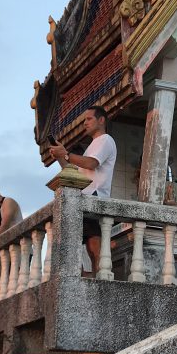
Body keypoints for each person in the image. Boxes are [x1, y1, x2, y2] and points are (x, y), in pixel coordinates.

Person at [49, 105, 117, 272]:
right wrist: (60, 156)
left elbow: (91, 164)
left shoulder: (106, 140)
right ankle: (86, 277)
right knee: (76, 246)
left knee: (94, 247)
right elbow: (71, 170)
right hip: (83, 197)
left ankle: (99, 280)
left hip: (95, 196)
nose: (85, 123)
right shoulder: (92, 145)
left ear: (101, 120)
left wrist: (66, 154)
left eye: (89, 119)